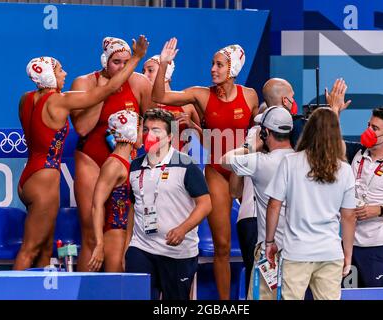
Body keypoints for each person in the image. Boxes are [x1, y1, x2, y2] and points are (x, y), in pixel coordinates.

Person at [14, 36, 148, 270]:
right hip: (46, 177)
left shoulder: (25, 99)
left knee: (45, 249)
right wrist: (136, 59)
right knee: (31, 249)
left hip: (29, 175)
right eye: (59, 71)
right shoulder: (59, 100)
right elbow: (101, 100)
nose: (64, 73)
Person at [152, 38, 259, 299]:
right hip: (216, 172)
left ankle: (255, 296)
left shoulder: (250, 96)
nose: (213, 69)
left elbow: (259, 133)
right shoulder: (201, 94)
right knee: (222, 246)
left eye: (219, 65)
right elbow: (160, 96)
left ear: (233, 68)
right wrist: (164, 64)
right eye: (212, 64)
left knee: (254, 245)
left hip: (245, 173)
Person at [70, 36, 154, 271]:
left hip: (122, 163)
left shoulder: (140, 84)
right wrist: (104, 91)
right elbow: (83, 128)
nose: (122, 68)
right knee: (89, 231)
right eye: (116, 62)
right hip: (91, 160)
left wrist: (138, 137)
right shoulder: (84, 83)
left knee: (118, 237)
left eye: (127, 62)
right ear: (105, 61)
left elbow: (150, 124)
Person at [328, 79, 383, 287]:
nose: (368, 130)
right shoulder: (356, 152)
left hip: (378, 250)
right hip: (349, 245)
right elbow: (330, 142)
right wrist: (335, 111)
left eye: (374, 128)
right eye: (368, 125)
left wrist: (379, 210)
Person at [265, 107, 356, 300]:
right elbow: (348, 217)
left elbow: (274, 205)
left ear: (309, 130)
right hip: (330, 253)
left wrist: (270, 242)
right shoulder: (346, 170)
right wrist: (347, 253)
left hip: (296, 253)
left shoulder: (290, 162)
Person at [125, 108, 212, 300]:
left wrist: (182, 229)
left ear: (170, 136)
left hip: (178, 253)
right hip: (142, 248)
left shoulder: (186, 164)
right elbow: (134, 207)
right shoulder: (135, 166)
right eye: (146, 130)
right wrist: (127, 246)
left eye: (156, 130)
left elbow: (205, 204)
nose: (150, 135)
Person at [221, 106, 294, 299]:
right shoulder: (302, 161)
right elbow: (235, 190)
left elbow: (225, 160)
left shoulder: (259, 162)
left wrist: (250, 146)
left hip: (270, 249)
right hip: (298, 250)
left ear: (265, 132)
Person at [88, 110, 139, 272]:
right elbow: (97, 205)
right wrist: (99, 244)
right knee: (117, 290)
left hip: (130, 233)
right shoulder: (113, 165)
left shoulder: (128, 161)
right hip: (116, 234)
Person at [142, 55, 201, 151]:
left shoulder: (186, 105)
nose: (144, 75)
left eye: (150, 70)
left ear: (165, 74)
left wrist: (192, 125)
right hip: (151, 163)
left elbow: (209, 141)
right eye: (143, 71)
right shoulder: (143, 104)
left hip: (179, 163)